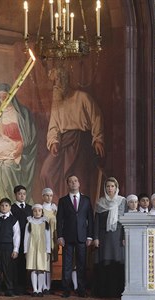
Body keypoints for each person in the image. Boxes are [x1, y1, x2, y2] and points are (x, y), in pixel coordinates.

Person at [40, 67, 105, 202]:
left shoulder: (82, 97)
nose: (54, 87)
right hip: (64, 143)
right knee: (46, 172)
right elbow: (53, 125)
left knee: (78, 178)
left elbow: (96, 117)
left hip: (81, 142)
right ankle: (57, 205)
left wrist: (98, 139)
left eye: (56, 83)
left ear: (64, 81)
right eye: (53, 84)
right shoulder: (57, 103)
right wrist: (53, 141)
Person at [0, 83, 37, 202]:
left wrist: (21, 145)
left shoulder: (22, 113)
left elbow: (30, 136)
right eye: (1, 97)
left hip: (18, 147)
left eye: (5, 97)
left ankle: (9, 201)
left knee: (7, 167)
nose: (3, 99)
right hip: (3, 144)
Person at [57, 175, 94, 298]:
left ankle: (81, 289)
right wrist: (60, 236)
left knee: (81, 264)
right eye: (71, 181)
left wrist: (90, 236)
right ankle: (66, 289)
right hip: (67, 237)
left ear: (79, 183)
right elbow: (59, 220)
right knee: (67, 265)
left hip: (82, 237)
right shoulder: (63, 201)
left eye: (75, 181)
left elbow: (90, 219)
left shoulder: (86, 200)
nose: (73, 183)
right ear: (68, 184)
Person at [92, 178, 127, 297]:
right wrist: (95, 237)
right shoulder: (100, 202)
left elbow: (125, 221)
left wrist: (124, 236)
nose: (110, 188)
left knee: (117, 264)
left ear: (116, 188)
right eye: (108, 186)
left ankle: (117, 292)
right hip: (104, 236)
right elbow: (96, 221)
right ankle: (104, 292)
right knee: (105, 263)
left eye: (112, 186)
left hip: (118, 237)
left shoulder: (122, 201)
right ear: (105, 188)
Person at [0, 198, 21, 296]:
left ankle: (9, 289)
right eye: (2, 205)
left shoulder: (14, 220)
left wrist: (15, 249)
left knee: (8, 269)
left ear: (10, 207)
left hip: (8, 247)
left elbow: (17, 236)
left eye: (6, 205)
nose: (4, 207)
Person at [24, 204, 51, 297]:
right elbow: (26, 237)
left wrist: (48, 250)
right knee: (33, 269)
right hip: (31, 248)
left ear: (42, 212)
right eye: (35, 211)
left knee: (41, 269)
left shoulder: (45, 223)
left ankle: (40, 289)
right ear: (32, 212)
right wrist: (25, 251)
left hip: (42, 248)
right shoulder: (29, 222)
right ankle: (35, 289)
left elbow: (48, 238)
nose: (37, 212)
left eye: (39, 211)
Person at [11, 185, 33, 294]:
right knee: (15, 264)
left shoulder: (30, 208)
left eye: (24, 194)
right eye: (20, 194)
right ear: (15, 195)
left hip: (27, 240)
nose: (22, 196)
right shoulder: (11, 208)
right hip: (15, 240)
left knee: (26, 263)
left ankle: (24, 287)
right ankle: (15, 287)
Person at [41, 188, 58, 293]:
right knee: (43, 262)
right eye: (47, 195)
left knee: (50, 263)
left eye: (51, 196)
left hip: (53, 238)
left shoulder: (55, 209)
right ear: (43, 196)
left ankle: (49, 285)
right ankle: (43, 286)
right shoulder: (40, 209)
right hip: (43, 239)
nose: (49, 197)